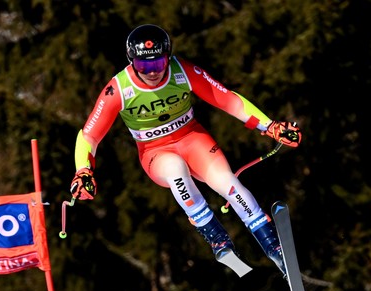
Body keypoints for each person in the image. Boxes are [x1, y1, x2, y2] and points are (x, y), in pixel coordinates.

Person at [70, 24, 302, 275]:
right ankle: (218, 241)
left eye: (158, 64)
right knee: (175, 170)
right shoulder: (118, 89)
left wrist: (270, 127)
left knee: (228, 184)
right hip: (155, 152)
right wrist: (83, 170)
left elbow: (228, 100)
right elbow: (89, 135)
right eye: (143, 66)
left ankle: (274, 249)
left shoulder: (183, 71)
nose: (152, 73)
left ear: (168, 57)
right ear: (131, 61)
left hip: (193, 139)